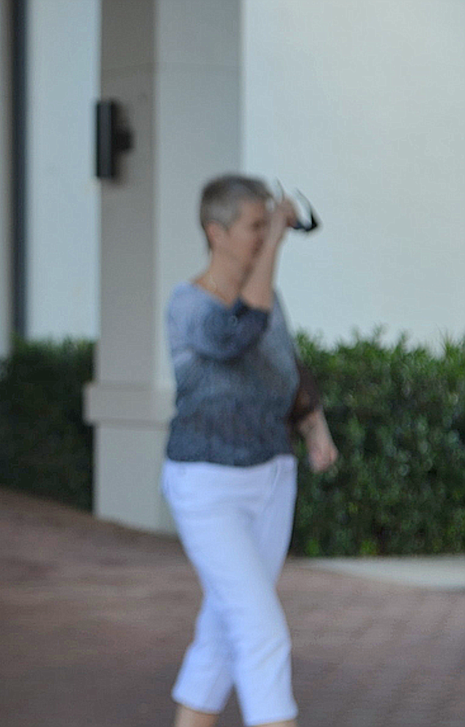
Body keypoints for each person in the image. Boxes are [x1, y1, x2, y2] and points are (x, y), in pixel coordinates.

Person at [162, 175, 338, 727]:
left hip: (271, 478)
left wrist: (315, 427)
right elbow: (239, 331)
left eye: (271, 223)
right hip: (208, 486)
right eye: (256, 226)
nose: (268, 234)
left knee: (224, 623)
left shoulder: (269, 298)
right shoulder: (188, 306)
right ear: (217, 232)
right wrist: (277, 248)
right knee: (262, 632)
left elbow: (284, 363)